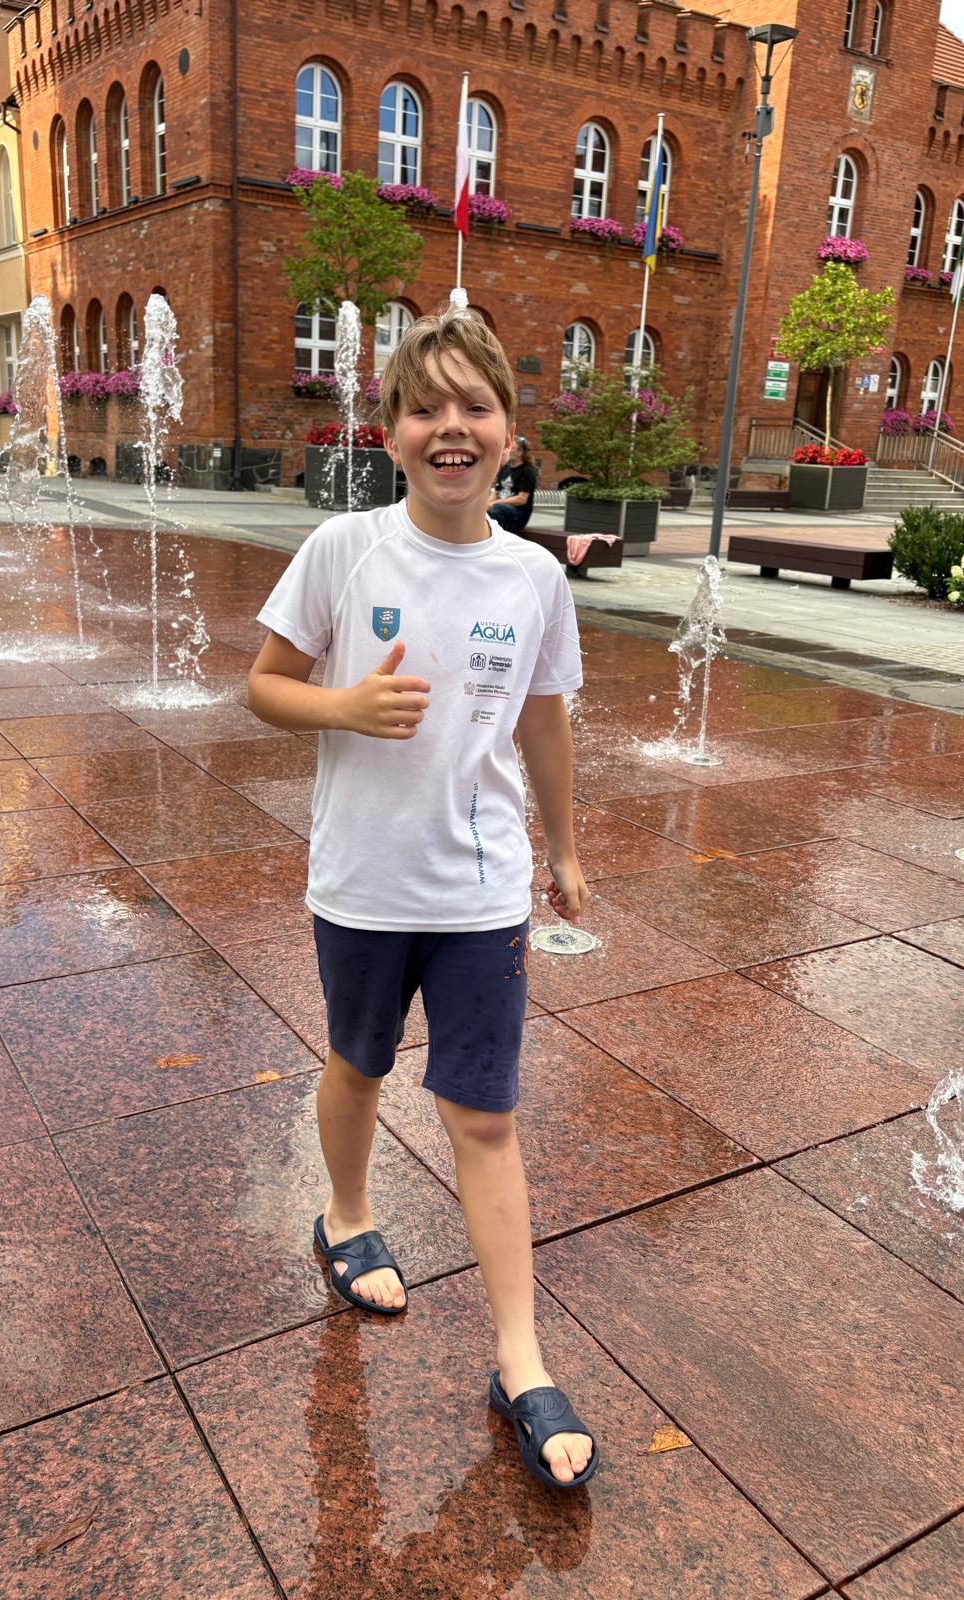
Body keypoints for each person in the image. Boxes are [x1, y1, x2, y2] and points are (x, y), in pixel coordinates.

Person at [247, 308, 598, 1491]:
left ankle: (519, 1356)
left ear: (510, 433)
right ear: (391, 430)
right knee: (358, 1065)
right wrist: (342, 706)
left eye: (475, 407)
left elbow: (543, 720)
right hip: (362, 881)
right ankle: (347, 1214)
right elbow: (264, 686)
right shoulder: (346, 550)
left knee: (484, 1116)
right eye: (426, 407)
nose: (452, 427)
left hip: (482, 890)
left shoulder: (535, 576)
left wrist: (564, 846)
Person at [487, 436, 537, 534]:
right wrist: (485, 505)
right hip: (499, 509)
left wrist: (494, 503)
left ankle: (497, 538)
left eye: (512, 447)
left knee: (496, 508)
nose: (508, 450)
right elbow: (496, 493)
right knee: (481, 508)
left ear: (520, 452)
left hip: (518, 514)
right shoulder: (505, 468)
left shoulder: (527, 471)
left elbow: (521, 499)